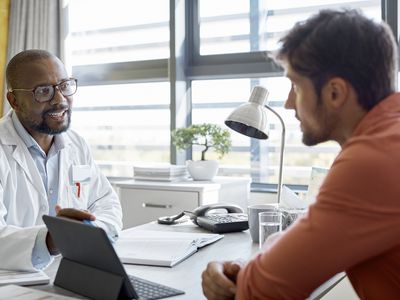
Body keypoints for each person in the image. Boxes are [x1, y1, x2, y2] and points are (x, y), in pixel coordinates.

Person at [202, 9, 400, 300]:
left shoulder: (370, 161)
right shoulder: (388, 138)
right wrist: (260, 262)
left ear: (335, 93)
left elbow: (264, 291)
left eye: (295, 85)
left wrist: (246, 273)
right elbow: (319, 239)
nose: (288, 103)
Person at [0, 49, 122, 271]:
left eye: (64, 86)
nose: (60, 99)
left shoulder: (76, 144)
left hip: (72, 269)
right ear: (14, 101)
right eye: (43, 91)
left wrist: (86, 232)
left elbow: (107, 204)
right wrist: (50, 240)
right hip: (11, 282)